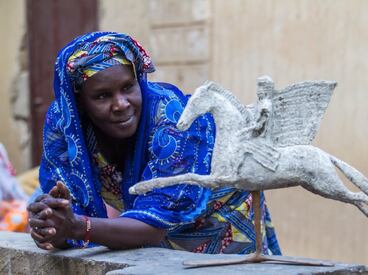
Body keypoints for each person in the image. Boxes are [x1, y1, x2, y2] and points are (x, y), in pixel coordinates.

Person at [27, 32, 281, 254]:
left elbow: (154, 226)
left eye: (128, 87)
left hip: (223, 227)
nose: (121, 104)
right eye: (103, 96)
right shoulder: (65, 124)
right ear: (79, 102)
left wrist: (77, 226)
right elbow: (66, 210)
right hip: (143, 241)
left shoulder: (173, 118)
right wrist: (52, 224)